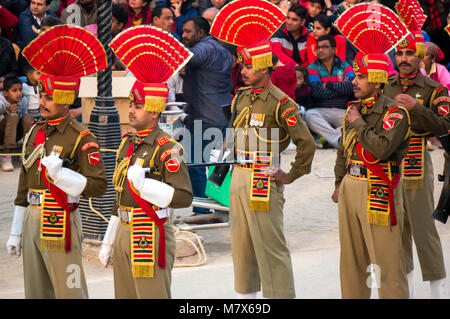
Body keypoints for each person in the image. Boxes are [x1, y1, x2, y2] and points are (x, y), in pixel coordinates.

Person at [210, 0, 315, 299]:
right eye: (242, 64)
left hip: (263, 177)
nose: (243, 70)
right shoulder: (241, 97)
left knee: (270, 247)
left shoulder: (281, 102)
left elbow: (305, 143)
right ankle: (247, 300)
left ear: (265, 67)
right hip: (238, 176)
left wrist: (290, 175)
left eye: (249, 65)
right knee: (241, 247)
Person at [6, 25, 107, 298]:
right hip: (31, 216)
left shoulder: (81, 137)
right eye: (41, 95)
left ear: (64, 99)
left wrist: (63, 177)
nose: (41, 102)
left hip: (60, 216)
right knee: (36, 290)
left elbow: (98, 186)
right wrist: (16, 229)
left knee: (68, 289)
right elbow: (24, 183)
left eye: (48, 97)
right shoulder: (35, 131)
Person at [99, 26, 193, 299]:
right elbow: (119, 197)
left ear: (154, 111)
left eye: (137, 106)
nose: (130, 109)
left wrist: (147, 186)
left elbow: (184, 197)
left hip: (149, 231)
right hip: (124, 231)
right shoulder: (128, 143)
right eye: (131, 104)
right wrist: (108, 239)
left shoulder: (168, 149)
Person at [332, 3, 411, 298]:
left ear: (376, 80)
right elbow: (343, 150)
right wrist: (338, 183)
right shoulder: (354, 109)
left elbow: (380, 149)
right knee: (351, 263)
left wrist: (359, 124)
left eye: (361, 77)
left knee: (387, 264)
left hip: (379, 185)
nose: (354, 81)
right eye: (355, 76)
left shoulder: (396, 112)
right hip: (351, 186)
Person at [383, 0, 450, 299]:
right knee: (396, 232)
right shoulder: (386, 86)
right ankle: (404, 292)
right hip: (387, 165)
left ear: (422, 57)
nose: (404, 58)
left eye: (411, 53)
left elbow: (445, 125)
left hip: (417, 162)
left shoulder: (435, 89)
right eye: (400, 52)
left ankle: (437, 291)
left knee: (424, 231)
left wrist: (418, 109)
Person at [182, 16, 233, 215]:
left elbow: (189, 57)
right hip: (221, 115)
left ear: (201, 33)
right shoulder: (222, 50)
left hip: (205, 117)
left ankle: (203, 210)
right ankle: (221, 208)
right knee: (218, 166)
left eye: (187, 32)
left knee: (196, 165)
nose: (184, 35)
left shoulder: (205, 48)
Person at [305, 34, 354, 149]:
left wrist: (328, 85)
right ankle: (337, 140)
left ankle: (328, 138)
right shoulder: (312, 68)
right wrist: (341, 90)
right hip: (321, 110)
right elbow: (316, 92)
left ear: (333, 49)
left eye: (324, 47)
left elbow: (352, 87)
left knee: (355, 121)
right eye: (318, 47)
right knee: (309, 115)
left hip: (342, 110)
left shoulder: (345, 66)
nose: (320, 50)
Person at [0, 77, 32, 171]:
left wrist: (17, 112)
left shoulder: (23, 100)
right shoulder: (1, 100)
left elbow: (22, 120)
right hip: (1, 133)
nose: (19, 93)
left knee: (28, 117)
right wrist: (6, 111)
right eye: (14, 90)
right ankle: (6, 156)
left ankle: (28, 152)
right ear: (6, 93)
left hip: (15, 134)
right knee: (13, 116)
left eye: (20, 90)